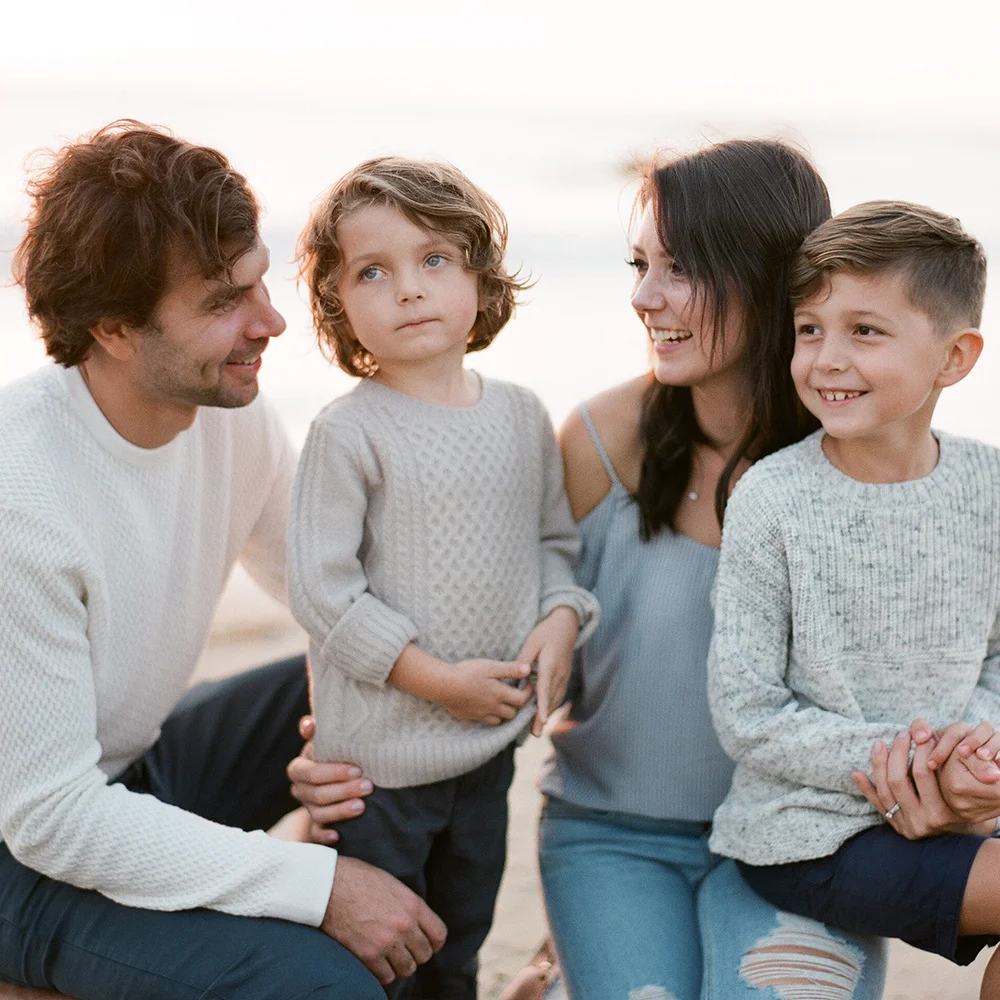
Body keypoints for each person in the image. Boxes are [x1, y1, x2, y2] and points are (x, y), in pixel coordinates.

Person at [0, 121, 446, 1000]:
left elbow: (338, 599)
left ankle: (436, 966)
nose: (271, 322)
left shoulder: (230, 416)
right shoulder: (23, 497)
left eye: (259, 280)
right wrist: (318, 887)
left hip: (132, 771)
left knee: (402, 677)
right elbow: (50, 819)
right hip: (24, 853)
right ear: (115, 329)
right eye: (221, 303)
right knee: (321, 988)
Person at [533, 140, 890, 1000]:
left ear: (769, 275)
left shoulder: (858, 462)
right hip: (611, 838)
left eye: (680, 269)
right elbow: (516, 606)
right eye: (640, 265)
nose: (644, 297)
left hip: (806, 839)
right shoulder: (600, 440)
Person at [289, 157, 599, 999]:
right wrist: (434, 681)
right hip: (377, 772)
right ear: (339, 305)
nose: (410, 290)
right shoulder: (348, 432)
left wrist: (562, 616)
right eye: (373, 272)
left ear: (479, 279)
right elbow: (322, 590)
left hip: (486, 748)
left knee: (459, 940)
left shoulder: (522, 415)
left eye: (435, 260)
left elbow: (553, 543)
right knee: (378, 956)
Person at [709, 201, 1000, 996]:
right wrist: (912, 767)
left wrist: (972, 758)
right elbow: (747, 711)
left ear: (955, 356)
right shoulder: (772, 498)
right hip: (811, 834)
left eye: (864, 331)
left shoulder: (991, 487)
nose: (826, 358)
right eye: (810, 329)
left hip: (963, 809)